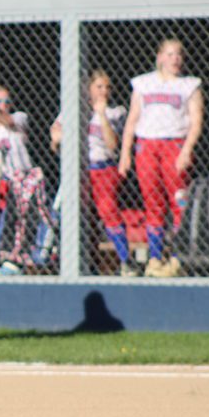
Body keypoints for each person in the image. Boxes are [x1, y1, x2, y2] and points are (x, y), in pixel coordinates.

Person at [118, 39, 204, 277]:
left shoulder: (189, 85)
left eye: (179, 54)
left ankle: (177, 257)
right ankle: (155, 258)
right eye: (170, 54)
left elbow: (196, 121)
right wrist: (125, 152)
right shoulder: (143, 83)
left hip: (174, 145)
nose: (175, 59)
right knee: (153, 203)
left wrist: (186, 150)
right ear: (160, 57)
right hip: (147, 146)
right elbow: (132, 119)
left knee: (179, 201)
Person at [51, 70, 137, 276]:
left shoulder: (116, 112)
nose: (104, 91)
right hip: (78, 169)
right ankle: (82, 263)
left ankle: (126, 261)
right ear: (89, 88)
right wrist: (60, 138)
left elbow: (112, 144)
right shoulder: (75, 109)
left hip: (104, 168)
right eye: (99, 86)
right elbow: (54, 138)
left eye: (107, 87)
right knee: (78, 215)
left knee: (108, 211)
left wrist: (102, 114)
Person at [0, 48, 53, 267]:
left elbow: (0, 116)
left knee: (15, 223)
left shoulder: (18, 118)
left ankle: (16, 257)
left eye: (7, 101)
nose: (4, 104)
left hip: (21, 182)